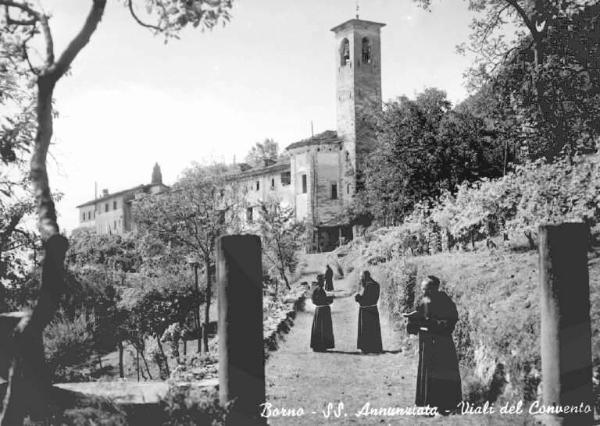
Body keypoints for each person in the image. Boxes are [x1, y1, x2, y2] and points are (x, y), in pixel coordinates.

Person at [406, 275, 461, 414]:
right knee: (426, 372)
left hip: (441, 343)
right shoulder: (425, 299)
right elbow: (420, 314)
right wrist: (412, 320)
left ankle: (443, 406)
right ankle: (426, 403)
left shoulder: (445, 301)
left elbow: (450, 321)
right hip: (426, 342)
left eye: (426, 289)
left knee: (441, 373)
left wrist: (431, 324)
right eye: (422, 289)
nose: (423, 292)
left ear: (434, 288)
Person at [355, 270, 383, 354]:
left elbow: (364, 300)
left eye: (361, 277)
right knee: (373, 329)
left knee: (366, 329)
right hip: (373, 309)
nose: (360, 279)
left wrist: (357, 298)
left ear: (364, 277)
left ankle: (367, 347)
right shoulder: (376, 284)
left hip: (366, 310)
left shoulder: (367, 286)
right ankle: (375, 347)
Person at [310, 274, 334, 352]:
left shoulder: (318, 290)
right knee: (323, 327)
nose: (323, 282)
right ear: (319, 281)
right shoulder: (318, 290)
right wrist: (328, 300)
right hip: (322, 310)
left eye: (323, 281)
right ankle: (321, 345)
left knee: (319, 327)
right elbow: (316, 300)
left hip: (320, 310)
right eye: (322, 281)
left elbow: (314, 300)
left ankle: (319, 345)